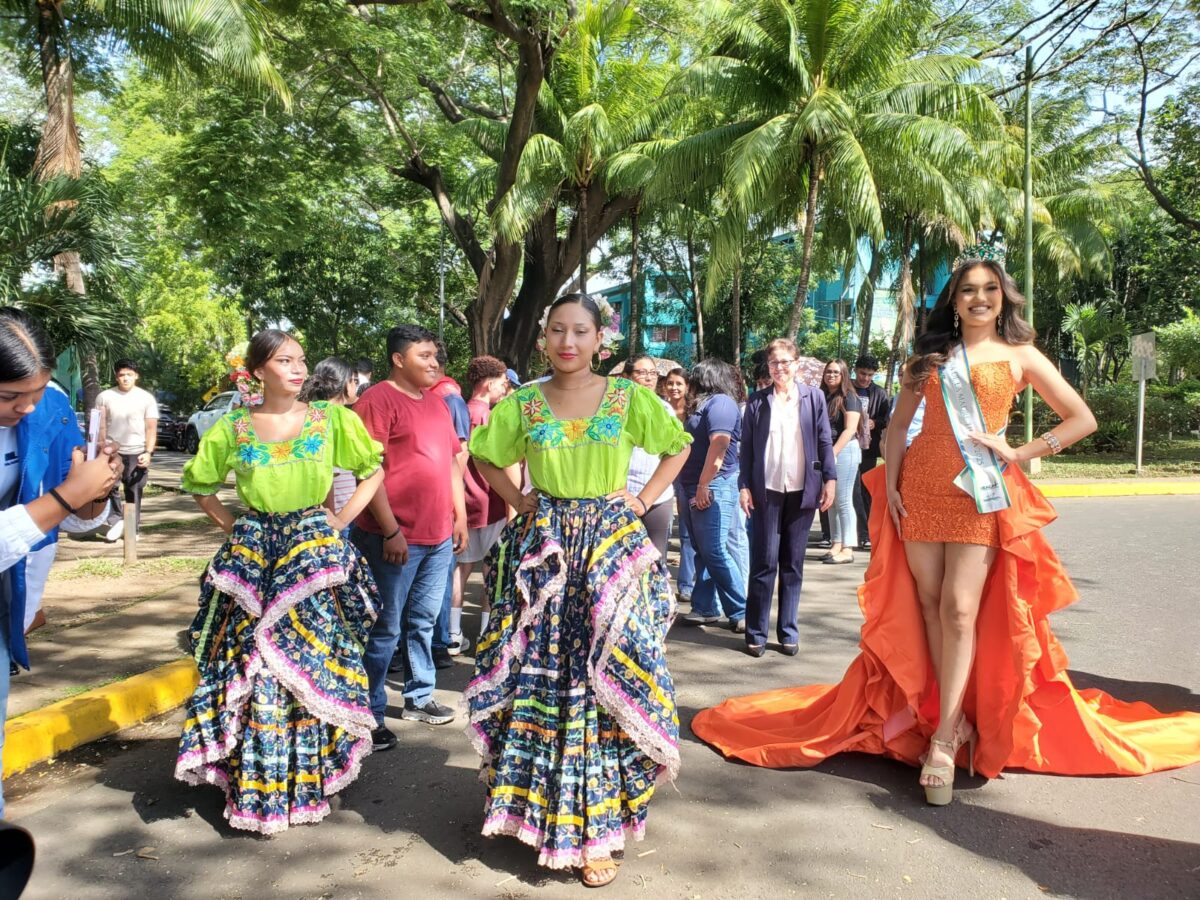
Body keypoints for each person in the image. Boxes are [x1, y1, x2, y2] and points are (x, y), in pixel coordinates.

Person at [692, 248, 1200, 805]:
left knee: (961, 609)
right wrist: (889, 486)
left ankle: (942, 737)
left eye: (989, 289)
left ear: (1002, 295)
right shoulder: (929, 359)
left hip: (980, 492)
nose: (979, 298)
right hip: (921, 492)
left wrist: (1020, 450)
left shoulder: (1021, 355)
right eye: (967, 291)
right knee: (930, 606)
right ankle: (948, 717)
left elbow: (1082, 418)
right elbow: (897, 429)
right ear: (953, 302)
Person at [466, 292, 690, 887]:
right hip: (545, 552)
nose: (568, 341)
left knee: (605, 674)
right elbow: (484, 455)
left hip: (610, 550)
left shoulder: (628, 398)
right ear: (544, 339)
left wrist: (641, 500)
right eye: (557, 330)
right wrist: (517, 501)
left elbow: (678, 447)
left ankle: (599, 831)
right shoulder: (523, 403)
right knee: (540, 675)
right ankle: (531, 809)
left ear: (599, 341)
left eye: (581, 331)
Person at [176, 329, 385, 833]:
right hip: (253, 561)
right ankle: (258, 779)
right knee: (254, 665)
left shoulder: (330, 418)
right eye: (285, 360)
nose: (297, 368)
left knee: (313, 659)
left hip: (312, 556)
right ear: (258, 371)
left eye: (301, 359)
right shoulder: (233, 427)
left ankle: (309, 774)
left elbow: (373, 469)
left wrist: (340, 521)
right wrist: (232, 526)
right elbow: (199, 484)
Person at [0, 309, 118, 816]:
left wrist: (95, 491)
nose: (27, 407)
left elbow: (64, 518)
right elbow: (56, 505)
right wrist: (70, 497)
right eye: (10, 396)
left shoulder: (47, 409)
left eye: (37, 391)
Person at [351, 325, 468, 751]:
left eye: (436, 355)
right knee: (385, 628)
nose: (434, 363)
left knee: (421, 623)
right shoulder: (377, 401)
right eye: (424, 356)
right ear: (399, 359)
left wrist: (459, 517)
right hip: (394, 539)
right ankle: (370, 712)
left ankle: (419, 697)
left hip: (437, 538)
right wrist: (390, 529)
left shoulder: (438, 403)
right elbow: (368, 470)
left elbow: (453, 464)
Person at [738, 338, 835, 657]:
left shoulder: (814, 397)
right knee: (763, 562)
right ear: (768, 367)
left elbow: (823, 440)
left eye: (785, 362)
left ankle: (788, 630)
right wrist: (744, 484)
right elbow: (747, 448)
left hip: (802, 489)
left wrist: (829, 479)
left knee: (793, 564)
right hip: (766, 491)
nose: (780, 368)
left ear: (796, 364)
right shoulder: (757, 402)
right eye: (774, 363)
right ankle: (756, 631)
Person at [677, 359, 747, 631]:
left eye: (694, 378)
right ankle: (705, 607)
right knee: (702, 550)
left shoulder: (721, 403)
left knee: (715, 550)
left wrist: (705, 484)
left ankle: (741, 610)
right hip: (693, 484)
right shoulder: (702, 405)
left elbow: (719, 445)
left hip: (713, 484)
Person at [459, 354, 514, 641]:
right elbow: (504, 465)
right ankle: (486, 631)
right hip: (490, 504)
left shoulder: (459, 411)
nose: (505, 389)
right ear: (490, 383)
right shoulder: (491, 418)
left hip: (462, 504)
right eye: (503, 383)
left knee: (461, 569)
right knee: (493, 570)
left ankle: (452, 631)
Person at [431, 344, 473, 668]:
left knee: (443, 578)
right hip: (422, 508)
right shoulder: (425, 396)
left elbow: (459, 455)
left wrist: (459, 512)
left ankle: (440, 643)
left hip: (441, 506)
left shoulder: (451, 399)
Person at [96, 358, 158, 543]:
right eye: (121, 375)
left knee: (134, 489)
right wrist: (102, 449)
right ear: (116, 377)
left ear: (136, 376)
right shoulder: (105, 396)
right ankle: (116, 521)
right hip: (112, 451)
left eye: (129, 375)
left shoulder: (146, 398)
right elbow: (100, 426)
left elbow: (151, 428)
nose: (125, 378)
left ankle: (132, 528)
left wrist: (148, 452)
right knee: (109, 487)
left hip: (136, 451)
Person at [623, 355, 677, 558]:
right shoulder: (615, 410)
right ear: (627, 377)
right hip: (623, 494)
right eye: (641, 373)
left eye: (653, 373)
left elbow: (676, 452)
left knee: (656, 559)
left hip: (658, 497)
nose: (649, 378)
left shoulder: (665, 410)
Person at [298, 356, 360, 518]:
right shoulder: (341, 416)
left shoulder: (307, 413)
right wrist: (331, 517)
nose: (356, 386)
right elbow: (328, 473)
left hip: (316, 509)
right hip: (338, 511)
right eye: (354, 381)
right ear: (345, 383)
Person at [820, 359, 862, 565]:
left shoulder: (850, 397)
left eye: (836, 372)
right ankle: (836, 543)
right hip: (829, 452)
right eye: (828, 372)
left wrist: (833, 452)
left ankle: (848, 547)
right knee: (832, 499)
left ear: (844, 374)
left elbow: (850, 429)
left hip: (845, 450)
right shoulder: (824, 396)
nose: (831, 375)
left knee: (844, 500)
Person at [661, 368, 695, 601]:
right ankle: (659, 581)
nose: (674, 388)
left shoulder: (694, 414)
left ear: (687, 387)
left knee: (687, 533)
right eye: (670, 383)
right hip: (660, 474)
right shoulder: (658, 409)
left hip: (687, 476)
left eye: (679, 384)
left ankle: (686, 585)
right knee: (662, 531)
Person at [851, 355, 890, 551]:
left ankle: (865, 533)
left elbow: (886, 418)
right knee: (847, 491)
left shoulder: (879, 393)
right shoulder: (847, 388)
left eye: (869, 375)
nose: (865, 378)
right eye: (862, 373)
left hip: (867, 449)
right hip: (847, 446)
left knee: (864, 490)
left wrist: (876, 423)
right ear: (855, 370)